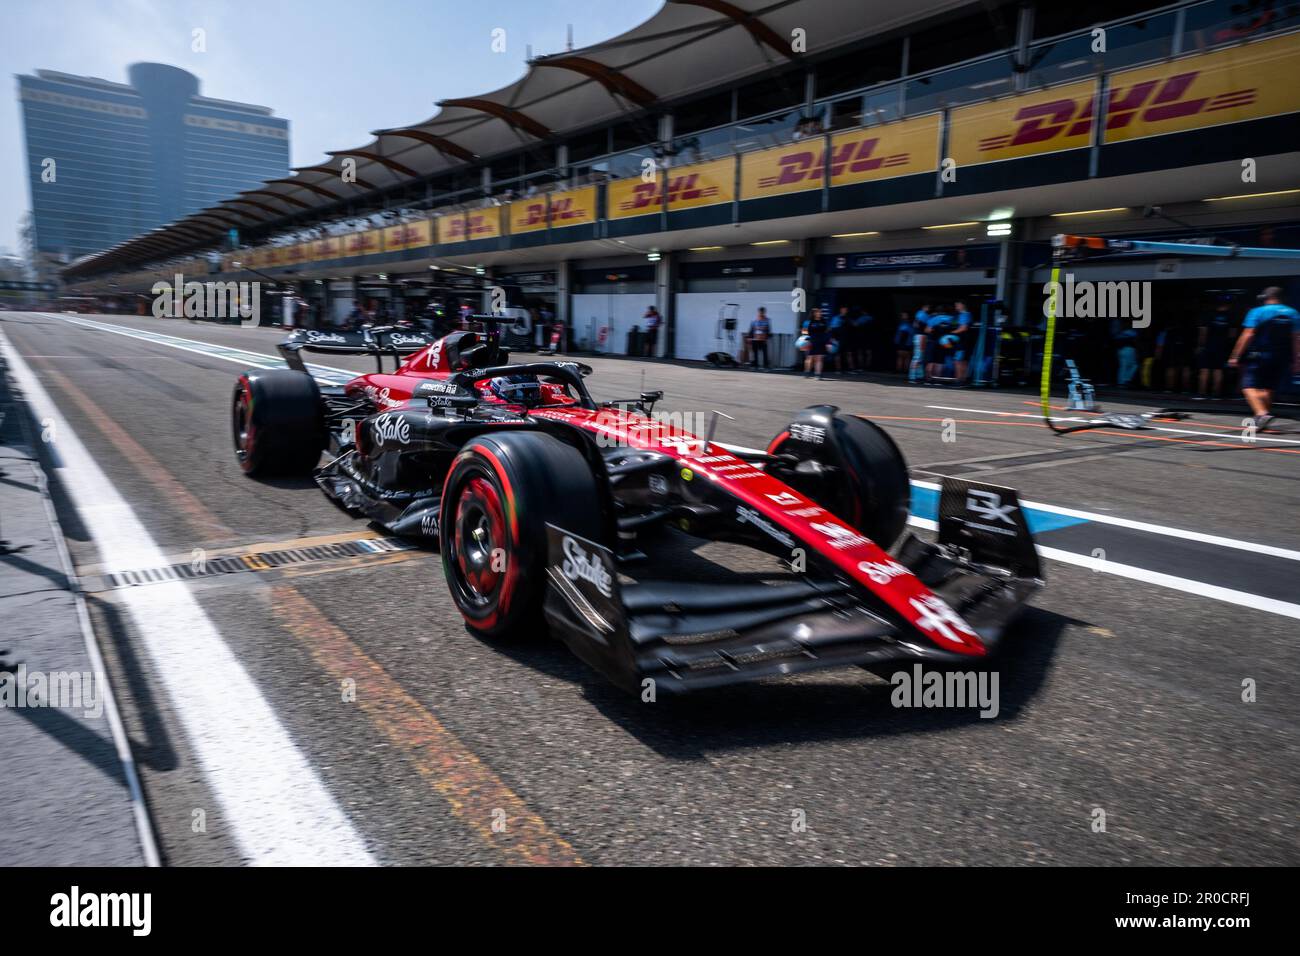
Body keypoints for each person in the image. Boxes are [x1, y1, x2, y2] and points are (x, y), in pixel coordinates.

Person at [1229, 286, 1297, 430]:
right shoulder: (1293, 313)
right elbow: (1296, 339)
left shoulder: (1257, 312)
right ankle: (1262, 421)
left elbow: (1248, 334)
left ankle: (1262, 414)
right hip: (1283, 356)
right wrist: (1297, 360)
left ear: (1265, 298)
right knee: (1268, 388)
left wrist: (1235, 355)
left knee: (1247, 386)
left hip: (1260, 354)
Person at [1195, 296, 1234, 398]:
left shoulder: (1208, 314)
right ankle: (1215, 394)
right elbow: (1232, 334)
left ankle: (1201, 393)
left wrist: (1200, 345)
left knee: (1204, 369)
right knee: (1218, 370)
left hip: (1208, 346)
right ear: (1228, 305)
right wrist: (1229, 346)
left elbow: (1203, 332)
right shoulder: (1231, 317)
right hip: (1222, 347)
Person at [802, 308, 829, 380]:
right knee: (810, 358)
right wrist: (806, 341)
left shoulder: (824, 321)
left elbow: (826, 332)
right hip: (811, 341)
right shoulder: (808, 322)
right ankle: (807, 372)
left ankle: (818, 375)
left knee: (819, 358)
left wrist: (827, 342)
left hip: (821, 342)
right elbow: (804, 332)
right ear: (814, 313)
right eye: (818, 312)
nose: (819, 313)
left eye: (820, 312)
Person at [952, 300, 973, 382]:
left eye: (957, 305)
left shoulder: (964, 315)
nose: (956, 307)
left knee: (957, 361)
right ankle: (963, 380)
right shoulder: (968, 314)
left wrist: (951, 332)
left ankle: (959, 380)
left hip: (962, 341)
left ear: (963, 305)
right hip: (966, 341)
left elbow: (963, 328)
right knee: (964, 361)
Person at [852, 307, 874, 373]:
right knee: (868, 353)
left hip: (862, 337)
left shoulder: (862, 318)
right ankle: (868, 367)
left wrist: (849, 320)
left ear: (864, 312)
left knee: (860, 353)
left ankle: (861, 367)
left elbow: (855, 324)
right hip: (869, 337)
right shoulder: (871, 318)